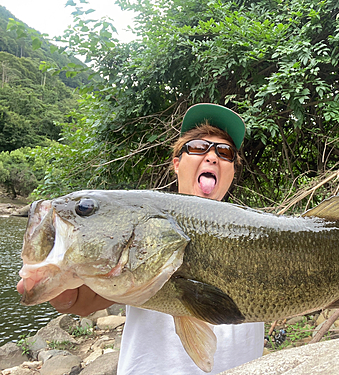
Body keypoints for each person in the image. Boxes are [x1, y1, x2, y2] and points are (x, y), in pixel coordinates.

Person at [17, 103, 265, 374]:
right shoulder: (142, 223)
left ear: (232, 170)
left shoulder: (262, 230)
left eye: (225, 151)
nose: (212, 157)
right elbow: (80, 302)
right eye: (197, 146)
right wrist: (59, 275)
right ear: (176, 163)